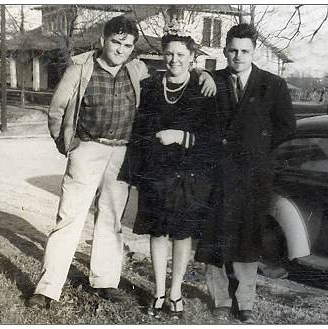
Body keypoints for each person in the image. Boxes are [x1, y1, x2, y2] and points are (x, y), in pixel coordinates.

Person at [27, 16, 216, 309]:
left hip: (121, 154)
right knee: (69, 218)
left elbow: (177, 69)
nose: (120, 49)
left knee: (111, 220)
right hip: (87, 149)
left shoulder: (137, 69)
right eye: (116, 42)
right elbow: (57, 109)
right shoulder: (81, 66)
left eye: (127, 45)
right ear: (103, 40)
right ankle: (48, 288)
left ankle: (104, 281)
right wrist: (68, 145)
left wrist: (206, 74)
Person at [194, 23, 296, 324]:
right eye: (233, 50)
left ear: (255, 51)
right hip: (218, 173)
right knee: (215, 237)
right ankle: (220, 299)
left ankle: (246, 301)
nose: (238, 56)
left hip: (254, 174)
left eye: (245, 51)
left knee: (248, 237)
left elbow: (287, 126)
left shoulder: (273, 85)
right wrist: (201, 74)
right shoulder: (212, 81)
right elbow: (199, 122)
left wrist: (258, 147)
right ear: (225, 50)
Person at [121, 33, 217, 319]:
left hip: (188, 174)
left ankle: (176, 293)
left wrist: (181, 136)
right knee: (158, 232)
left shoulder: (203, 89)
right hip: (156, 173)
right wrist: (138, 171)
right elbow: (138, 129)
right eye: (169, 54)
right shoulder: (150, 86)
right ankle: (159, 293)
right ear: (163, 55)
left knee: (181, 233)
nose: (174, 60)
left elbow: (212, 136)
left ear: (191, 57)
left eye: (181, 54)